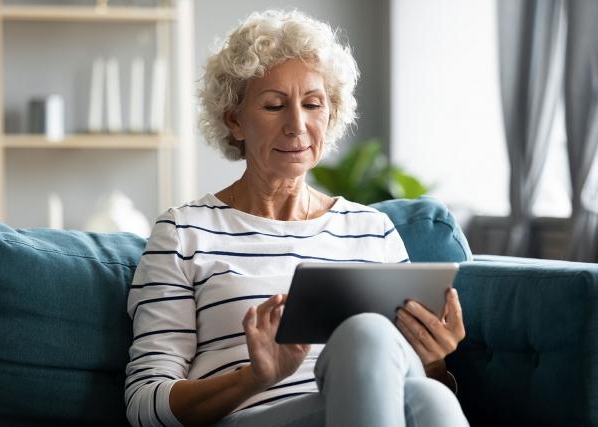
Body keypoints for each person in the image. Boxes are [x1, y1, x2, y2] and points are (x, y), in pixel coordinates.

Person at [125, 9, 468, 427]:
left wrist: (433, 361)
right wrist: (255, 377)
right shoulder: (184, 233)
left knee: (427, 395)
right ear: (235, 120)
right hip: (255, 417)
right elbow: (145, 405)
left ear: (330, 113)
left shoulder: (371, 230)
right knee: (370, 337)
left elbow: (409, 385)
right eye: (274, 105)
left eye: (312, 104)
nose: (297, 125)